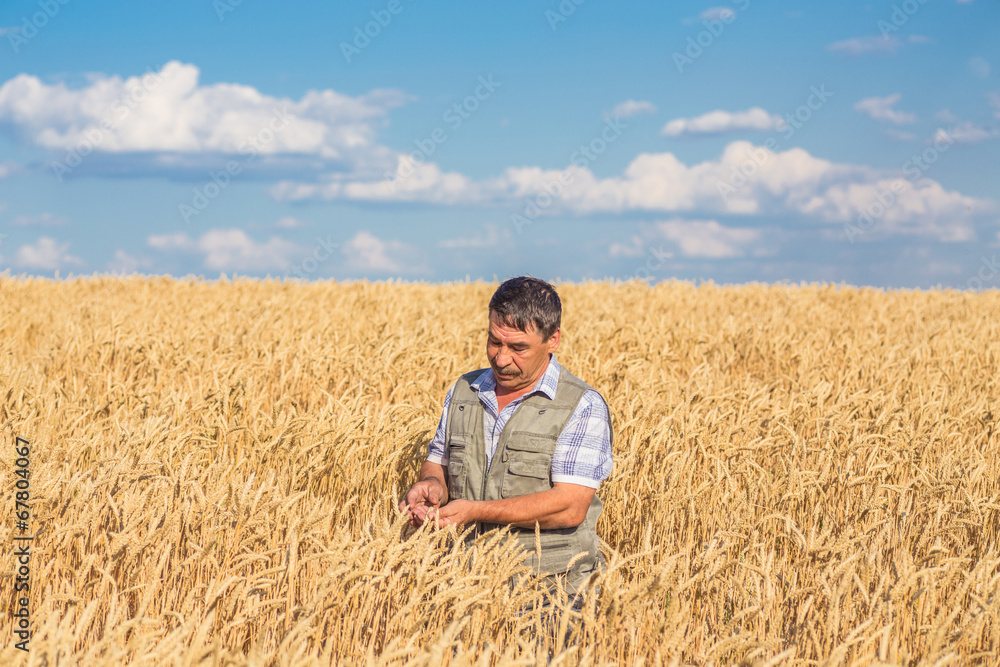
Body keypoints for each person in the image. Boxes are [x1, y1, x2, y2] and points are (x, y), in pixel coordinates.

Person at [399, 276, 614, 601]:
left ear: (553, 339)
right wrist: (432, 486)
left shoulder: (581, 405)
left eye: (518, 348)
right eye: (494, 341)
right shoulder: (464, 392)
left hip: (549, 594)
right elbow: (438, 462)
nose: (500, 358)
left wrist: (476, 511)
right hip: (462, 585)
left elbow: (569, 507)